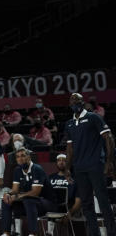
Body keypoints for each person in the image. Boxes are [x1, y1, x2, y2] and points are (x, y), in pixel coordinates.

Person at [64, 92, 115, 236]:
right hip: (79, 168)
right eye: (72, 100)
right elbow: (69, 149)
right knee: (86, 203)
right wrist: (68, 168)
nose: (74, 101)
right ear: (69, 104)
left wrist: (109, 161)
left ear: (82, 102)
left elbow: (108, 138)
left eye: (77, 99)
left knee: (103, 200)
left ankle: (112, 232)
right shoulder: (69, 124)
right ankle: (94, 233)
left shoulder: (93, 117)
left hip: (95, 165)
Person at [0, 148, 53, 236]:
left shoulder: (37, 169)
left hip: (47, 203)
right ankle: (6, 233)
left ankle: (33, 233)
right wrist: (8, 194)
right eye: (18, 157)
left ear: (29, 157)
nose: (20, 159)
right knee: (6, 201)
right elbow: (15, 190)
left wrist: (16, 197)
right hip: (30, 204)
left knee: (29, 200)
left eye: (23, 156)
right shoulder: (17, 170)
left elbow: (35, 192)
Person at [47, 153, 81, 229]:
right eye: (59, 160)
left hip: (67, 207)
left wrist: (70, 213)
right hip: (51, 206)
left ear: (68, 163)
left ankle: (50, 232)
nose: (61, 162)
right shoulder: (50, 177)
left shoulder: (75, 179)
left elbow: (78, 201)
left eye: (64, 160)